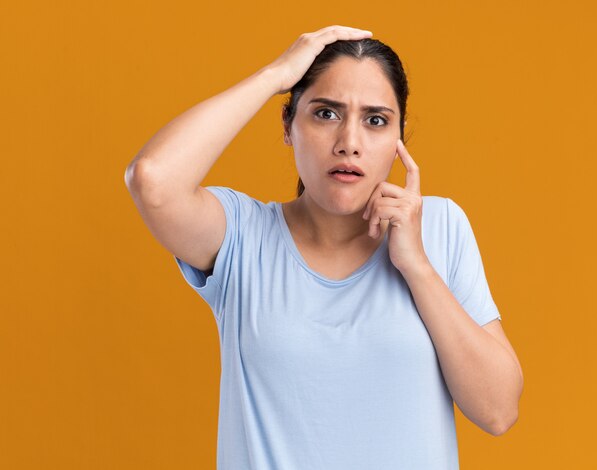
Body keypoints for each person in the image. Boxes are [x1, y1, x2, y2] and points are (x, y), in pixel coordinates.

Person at [125, 25, 523, 470]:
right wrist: (277, 75)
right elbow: (153, 180)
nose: (349, 143)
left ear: (399, 140)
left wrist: (418, 268)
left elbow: (498, 411)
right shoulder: (241, 236)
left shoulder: (442, 226)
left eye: (375, 120)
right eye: (325, 114)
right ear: (288, 126)